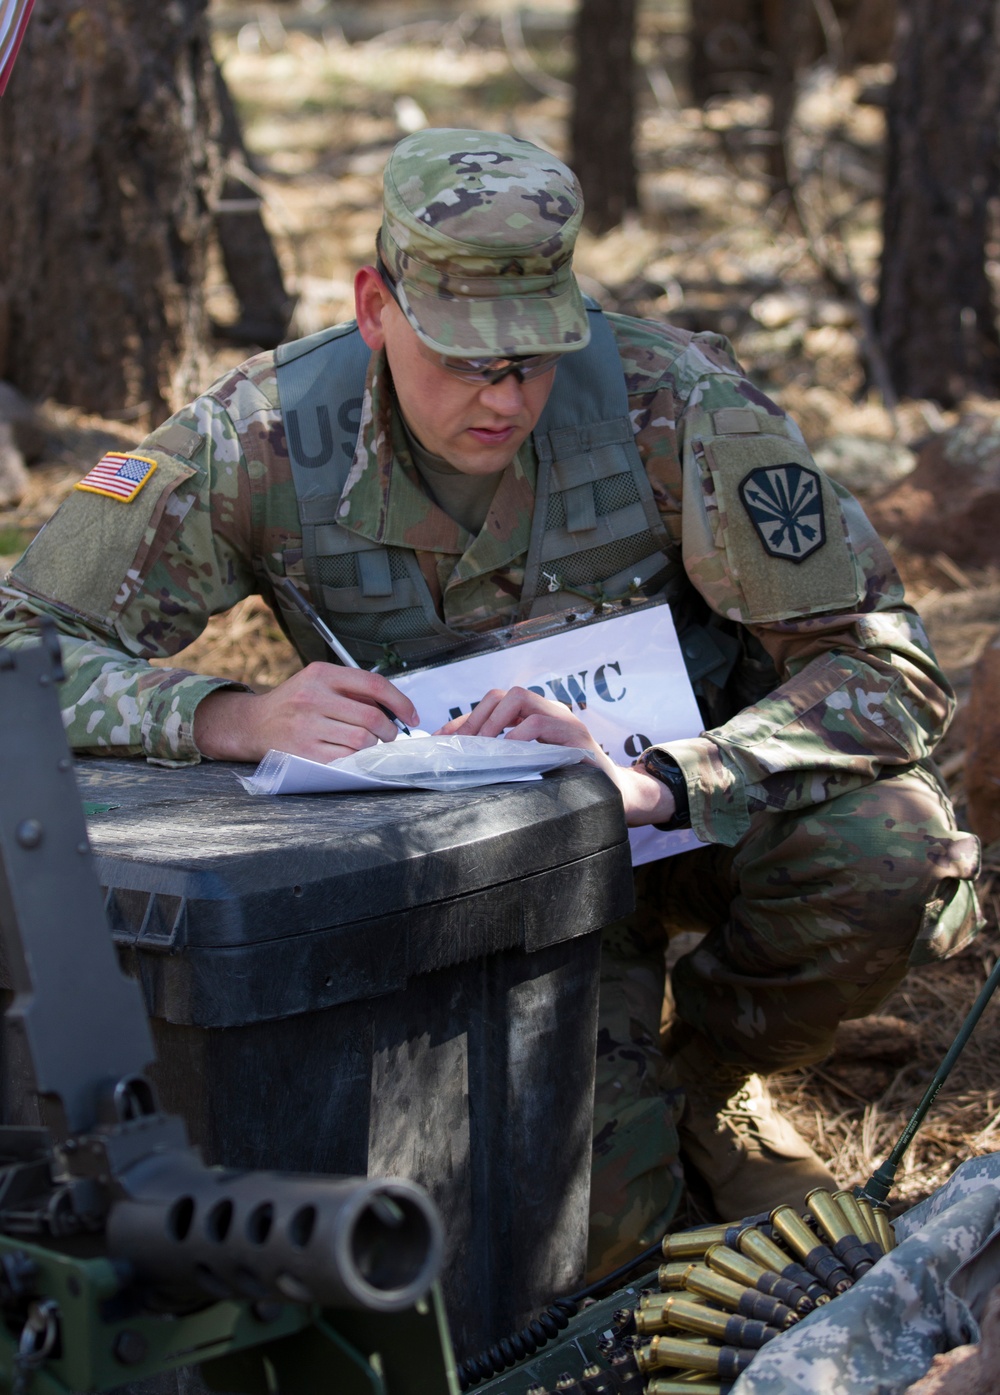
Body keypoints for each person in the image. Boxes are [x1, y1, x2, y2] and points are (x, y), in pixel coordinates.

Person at [0, 129, 980, 1275]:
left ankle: (707, 1079)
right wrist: (232, 715)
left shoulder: (674, 405)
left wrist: (664, 777)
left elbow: (887, 671)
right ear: (374, 304)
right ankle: (640, 1101)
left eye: (532, 357)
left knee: (886, 847)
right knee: (586, 1246)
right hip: (480, 891)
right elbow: (22, 643)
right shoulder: (263, 437)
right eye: (464, 358)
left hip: (688, 824)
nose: (503, 396)